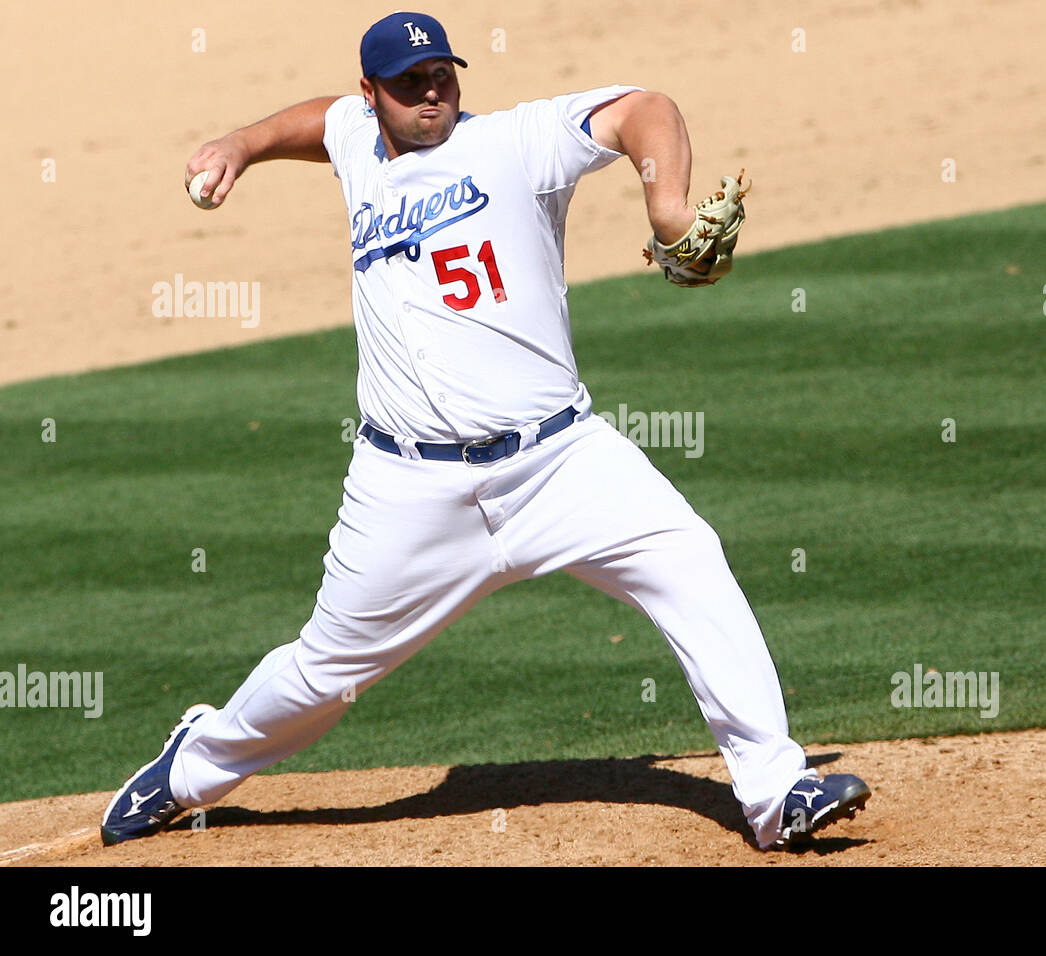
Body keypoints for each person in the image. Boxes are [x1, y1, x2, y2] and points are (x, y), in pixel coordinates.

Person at [101, 11, 869, 851]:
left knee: (688, 558)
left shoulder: (516, 143)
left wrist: (666, 201)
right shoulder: (357, 137)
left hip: (560, 461)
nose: (430, 94)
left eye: (441, 75)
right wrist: (240, 146)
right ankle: (191, 766)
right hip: (407, 489)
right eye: (407, 83)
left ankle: (776, 791)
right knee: (327, 671)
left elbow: (643, 108)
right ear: (375, 94)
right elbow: (321, 121)